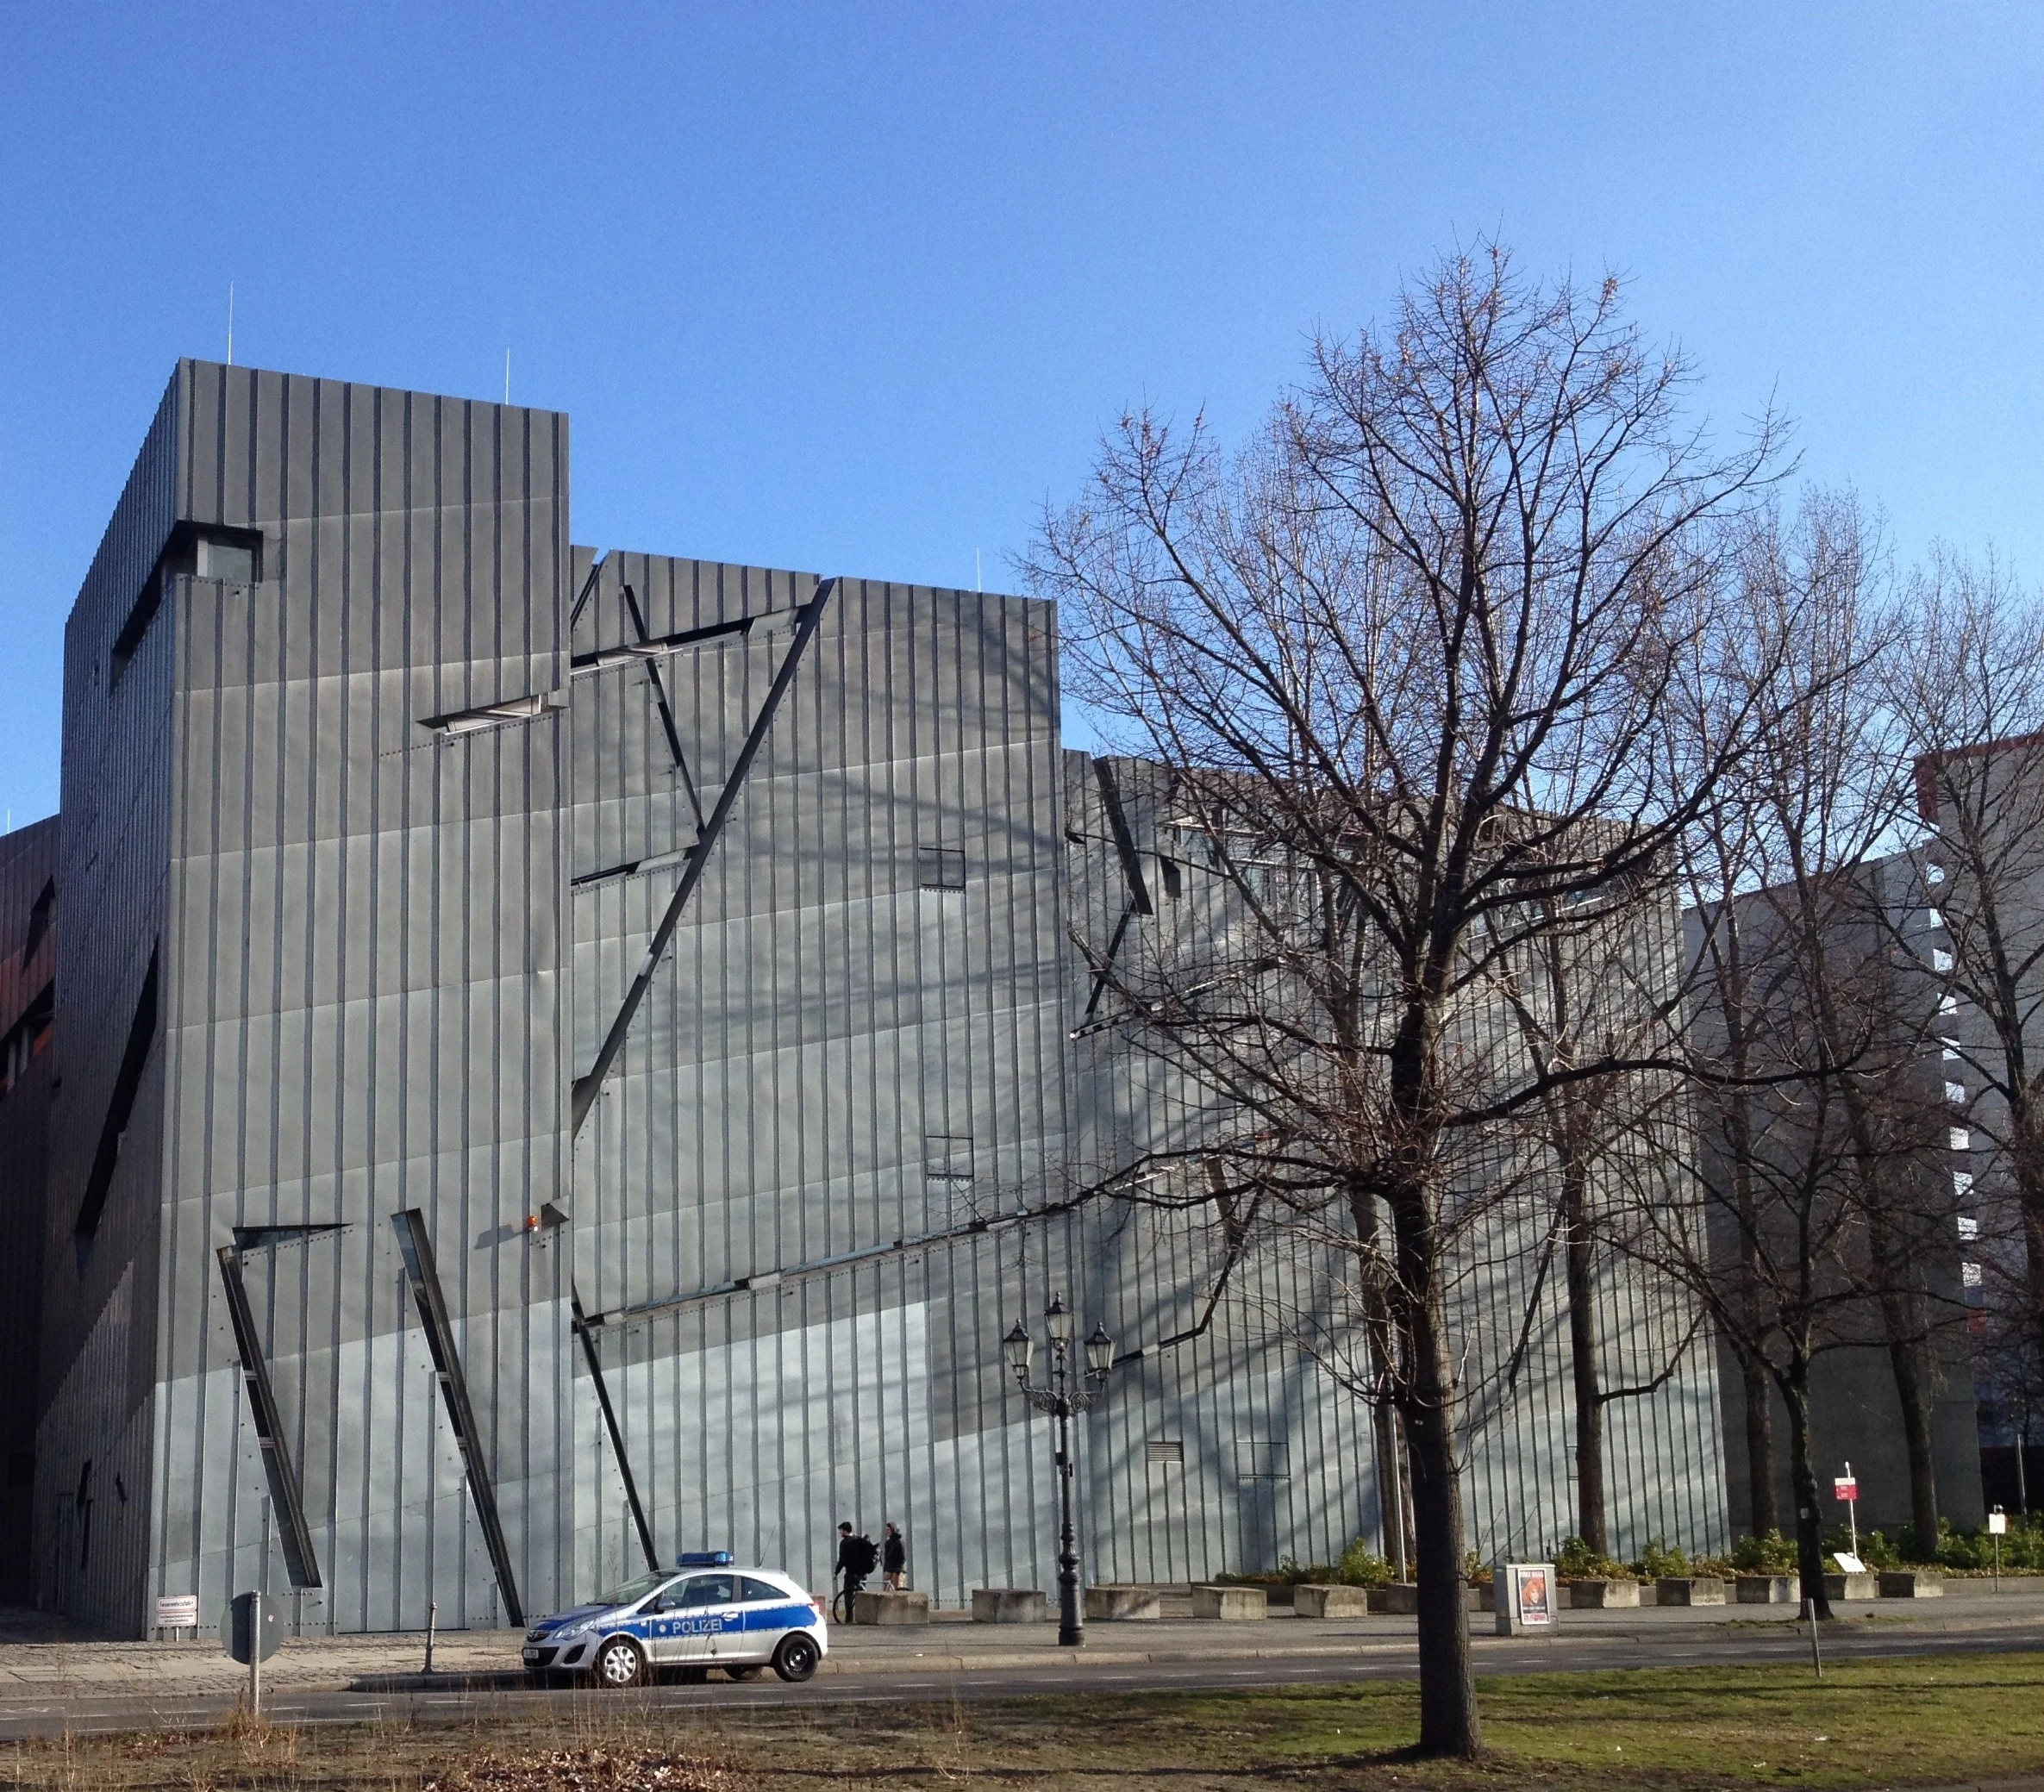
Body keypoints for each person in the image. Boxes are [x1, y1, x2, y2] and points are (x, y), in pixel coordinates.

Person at [833, 1520, 872, 1621]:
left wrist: (836, 1572)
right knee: (861, 1595)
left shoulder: (844, 1543)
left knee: (849, 1595)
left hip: (851, 1573)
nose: (840, 1533)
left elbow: (842, 1560)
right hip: (862, 1573)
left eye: (841, 1531)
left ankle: (849, 1618)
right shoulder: (859, 1539)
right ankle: (863, 1617)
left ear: (845, 1531)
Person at [883, 1522, 907, 1590]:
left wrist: (897, 1570)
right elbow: (887, 1557)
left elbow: (902, 1558)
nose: (887, 1532)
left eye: (888, 1530)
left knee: (897, 1588)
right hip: (889, 1569)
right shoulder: (888, 1542)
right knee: (885, 1588)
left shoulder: (899, 1542)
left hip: (897, 1570)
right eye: (886, 1530)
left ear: (893, 1530)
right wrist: (886, 1569)